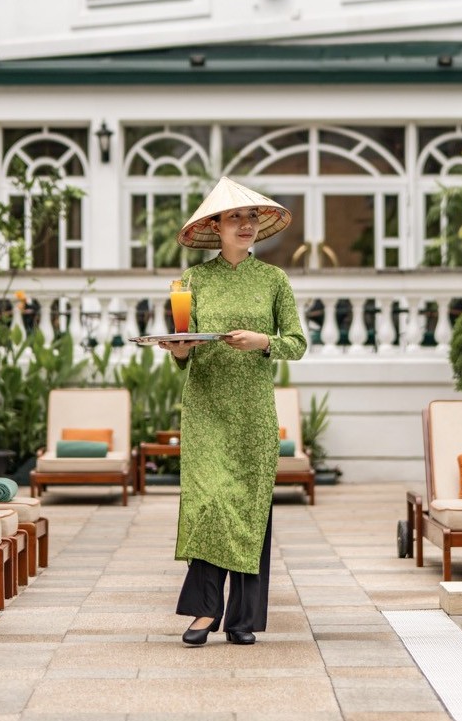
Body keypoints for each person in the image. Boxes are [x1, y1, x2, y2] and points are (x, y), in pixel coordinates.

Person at [158, 177, 306, 647]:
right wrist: (179, 350)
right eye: (234, 217)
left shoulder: (274, 280)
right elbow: (185, 347)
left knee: (248, 510)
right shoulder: (194, 280)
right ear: (215, 226)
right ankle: (205, 611)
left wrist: (263, 341)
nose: (245, 225)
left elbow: (297, 343)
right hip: (205, 409)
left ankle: (243, 618)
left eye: (251, 217)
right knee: (210, 505)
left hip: (253, 413)